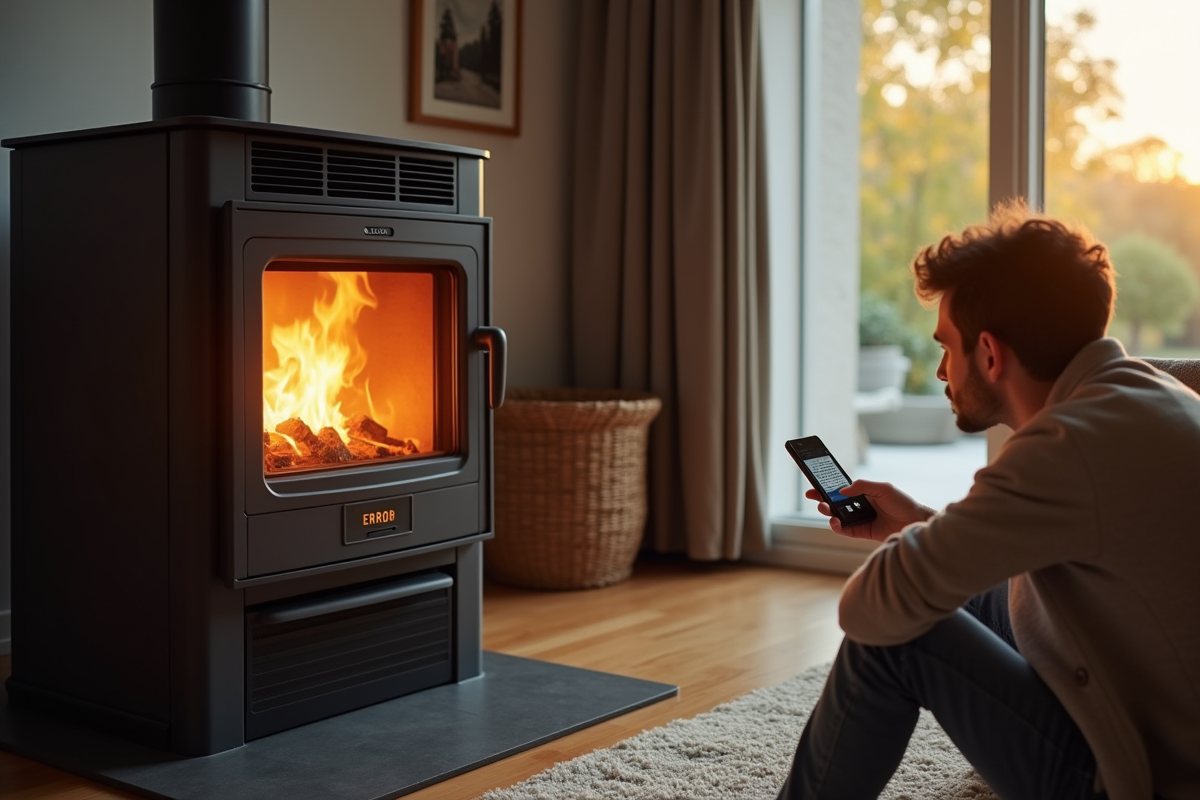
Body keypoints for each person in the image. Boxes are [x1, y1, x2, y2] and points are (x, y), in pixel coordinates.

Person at [776, 201, 1200, 800]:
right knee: (1000, 591)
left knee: (895, 639)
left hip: (1139, 778)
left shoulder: (1064, 447)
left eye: (947, 347)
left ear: (992, 355)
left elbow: (868, 609)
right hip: (1154, 708)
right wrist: (922, 525)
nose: (944, 371)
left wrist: (915, 554)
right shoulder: (1147, 391)